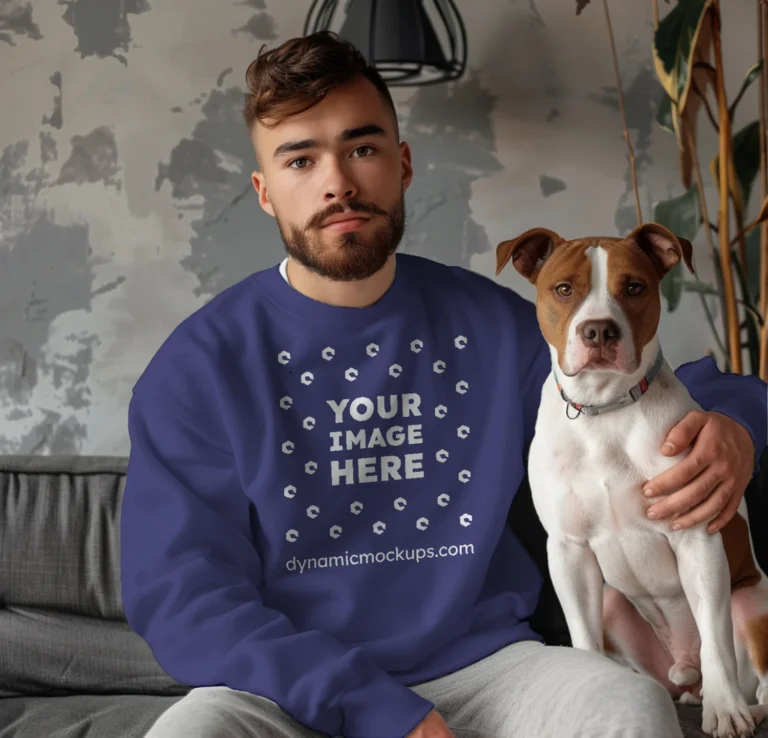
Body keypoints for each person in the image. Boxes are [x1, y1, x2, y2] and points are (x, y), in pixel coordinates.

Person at [121, 31, 767, 738]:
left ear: (401, 165)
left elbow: (646, 385)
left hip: (491, 669)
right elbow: (185, 599)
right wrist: (374, 709)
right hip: (285, 689)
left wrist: (734, 429)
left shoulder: (490, 324)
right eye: (300, 158)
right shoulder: (199, 366)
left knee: (628, 710)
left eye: (362, 148)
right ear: (265, 192)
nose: (337, 181)